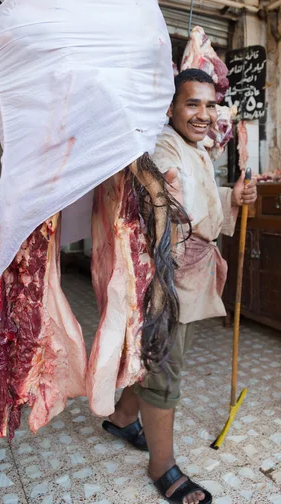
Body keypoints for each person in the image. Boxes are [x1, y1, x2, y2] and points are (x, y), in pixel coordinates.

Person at [103, 69, 258, 504]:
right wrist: (163, 185)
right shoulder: (164, 145)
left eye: (210, 105)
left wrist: (232, 197)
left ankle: (122, 418)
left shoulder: (200, 150)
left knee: (161, 356)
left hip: (192, 272)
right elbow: (167, 184)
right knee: (165, 366)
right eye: (192, 103)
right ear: (171, 108)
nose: (204, 114)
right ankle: (161, 465)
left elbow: (202, 196)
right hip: (168, 274)